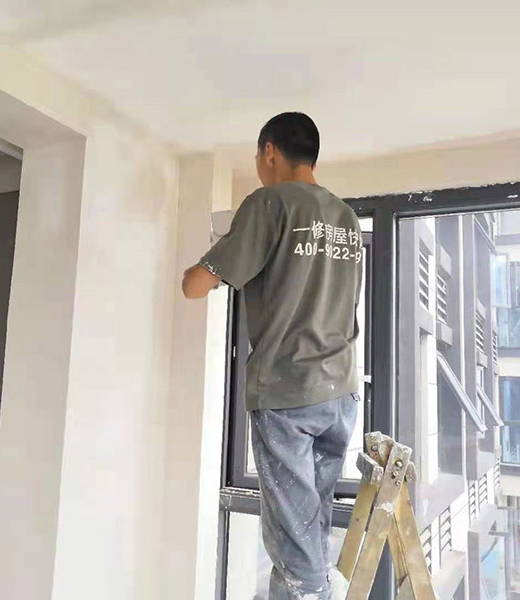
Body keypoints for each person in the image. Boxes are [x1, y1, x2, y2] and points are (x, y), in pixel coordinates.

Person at [182, 112, 362, 600]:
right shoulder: (345, 217)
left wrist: (203, 264)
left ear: (269, 152)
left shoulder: (268, 203)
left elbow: (195, 286)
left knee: (292, 540)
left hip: (288, 392)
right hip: (341, 391)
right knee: (311, 523)